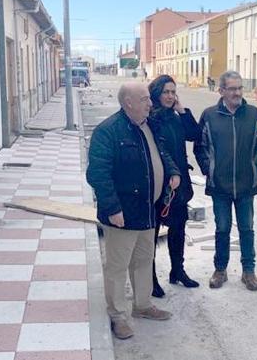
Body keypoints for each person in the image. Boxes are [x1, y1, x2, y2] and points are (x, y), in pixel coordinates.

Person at [86, 82, 179, 340]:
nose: (151, 103)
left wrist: (172, 172)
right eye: (145, 99)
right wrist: (112, 207)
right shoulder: (108, 131)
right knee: (117, 266)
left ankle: (142, 305)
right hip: (122, 214)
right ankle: (118, 316)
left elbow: (160, 154)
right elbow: (97, 174)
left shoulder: (147, 125)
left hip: (148, 210)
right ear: (128, 102)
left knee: (142, 261)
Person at [194, 71, 257, 291]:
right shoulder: (209, 115)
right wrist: (210, 170)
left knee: (247, 228)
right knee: (222, 228)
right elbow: (200, 147)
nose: (237, 93)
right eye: (232, 89)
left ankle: (249, 272)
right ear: (221, 91)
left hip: (246, 184)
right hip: (220, 186)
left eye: (239, 88)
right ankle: (220, 270)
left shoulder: (254, 114)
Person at [148, 75, 201, 298]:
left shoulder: (175, 116)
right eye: (165, 92)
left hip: (179, 184)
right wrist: (171, 172)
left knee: (178, 229)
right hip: (160, 183)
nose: (170, 96)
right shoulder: (151, 119)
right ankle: (149, 279)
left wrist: (183, 110)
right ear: (156, 94)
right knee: (151, 233)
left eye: (173, 92)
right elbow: (160, 150)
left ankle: (177, 270)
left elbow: (195, 134)